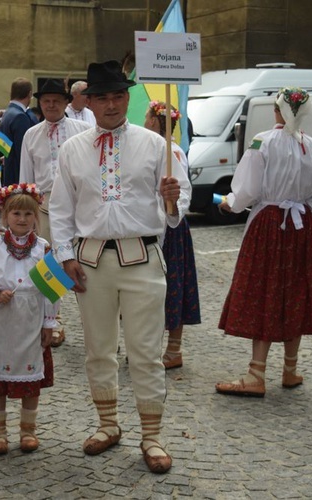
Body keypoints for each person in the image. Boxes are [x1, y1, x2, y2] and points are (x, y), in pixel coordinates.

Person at [49, 60, 190, 474]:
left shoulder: (155, 145)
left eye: (118, 96)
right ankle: (108, 424)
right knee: (99, 349)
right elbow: (60, 210)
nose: (111, 104)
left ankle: (152, 435)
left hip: (143, 257)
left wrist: (170, 196)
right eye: (103, 97)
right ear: (88, 101)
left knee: (146, 352)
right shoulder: (72, 149)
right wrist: (65, 256)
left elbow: (176, 212)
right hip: (91, 261)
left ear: (127, 99)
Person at [215, 87, 312, 398]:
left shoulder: (262, 141)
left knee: (263, 289)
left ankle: (255, 373)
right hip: (301, 226)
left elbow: (247, 190)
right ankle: (290, 369)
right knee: (295, 291)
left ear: (278, 111)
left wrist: (231, 203)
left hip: (269, 224)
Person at [0, 184, 57, 455]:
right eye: (16, 213)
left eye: (27, 214)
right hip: (1, 320)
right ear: (5, 216)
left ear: (36, 218)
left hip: (31, 318)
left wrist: (49, 323)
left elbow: (52, 290)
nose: (21, 219)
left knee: (31, 378)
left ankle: (28, 430)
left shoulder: (43, 248)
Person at [20, 78, 91, 347]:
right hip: (44, 204)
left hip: (78, 202)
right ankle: (54, 319)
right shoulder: (31, 134)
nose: (51, 105)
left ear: (66, 102)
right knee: (49, 263)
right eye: (46, 101)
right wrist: (27, 210)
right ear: (40, 103)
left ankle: (91, 320)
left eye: (56, 101)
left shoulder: (83, 129)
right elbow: (25, 177)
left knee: (84, 262)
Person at [144, 101, 201, 369]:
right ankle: (150, 346)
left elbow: (183, 191)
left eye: (147, 117)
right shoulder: (149, 147)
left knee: (173, 286)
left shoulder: (172, 151)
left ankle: (173, 349)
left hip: (170, 227)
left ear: (155, 121)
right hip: (151, 225)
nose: (145, 122)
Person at [0, 77, 38, 186]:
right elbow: (23, 152)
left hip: (8, 171)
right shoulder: (20, 117)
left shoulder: (7, 113)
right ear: (30, 94)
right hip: (18, 176)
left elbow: (0, 147)